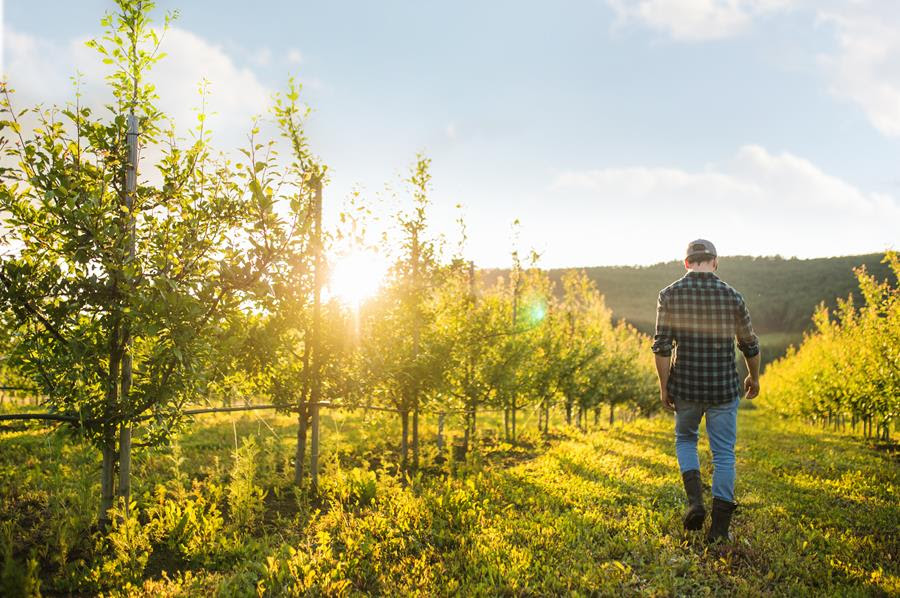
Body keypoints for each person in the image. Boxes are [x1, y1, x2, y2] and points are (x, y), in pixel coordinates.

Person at [651, 239, 760, 543]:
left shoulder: (669, 295)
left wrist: (664, 386)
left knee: (686, 439)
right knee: (724, 453)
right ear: (715, 262)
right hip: (723, 388)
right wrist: (754, 378)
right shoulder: (732, 296)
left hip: (685, 386)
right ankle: (720, 530)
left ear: (686, 263)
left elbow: (661, 346)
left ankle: (695, 502)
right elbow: (749, 343)